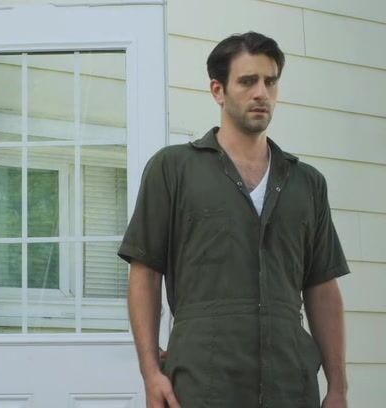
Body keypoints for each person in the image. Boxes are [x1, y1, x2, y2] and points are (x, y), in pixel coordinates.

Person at [119, 31, 349, 408]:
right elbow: (144, 273)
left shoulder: (306, 183)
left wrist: (338, 387)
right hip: (202, 385)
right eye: (247, 81)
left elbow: (322, 287)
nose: (261, 93)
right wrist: (150, 372)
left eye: (270, 81)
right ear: (218, 90)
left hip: (290, 386)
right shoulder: (173, 169)